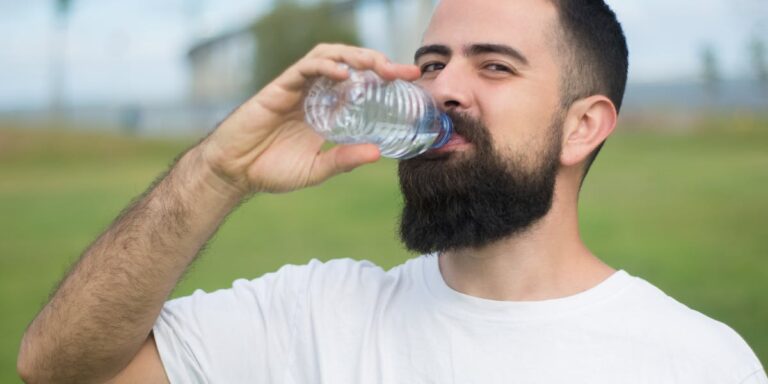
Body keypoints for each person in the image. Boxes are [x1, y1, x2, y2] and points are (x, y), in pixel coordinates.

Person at [17, 0, 767, 383]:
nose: (444, 90)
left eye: (495, 67)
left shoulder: (694, 361)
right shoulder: (316, 316)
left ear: (582, 127)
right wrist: (217, 170)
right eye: (432, 62)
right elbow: (60, 368)